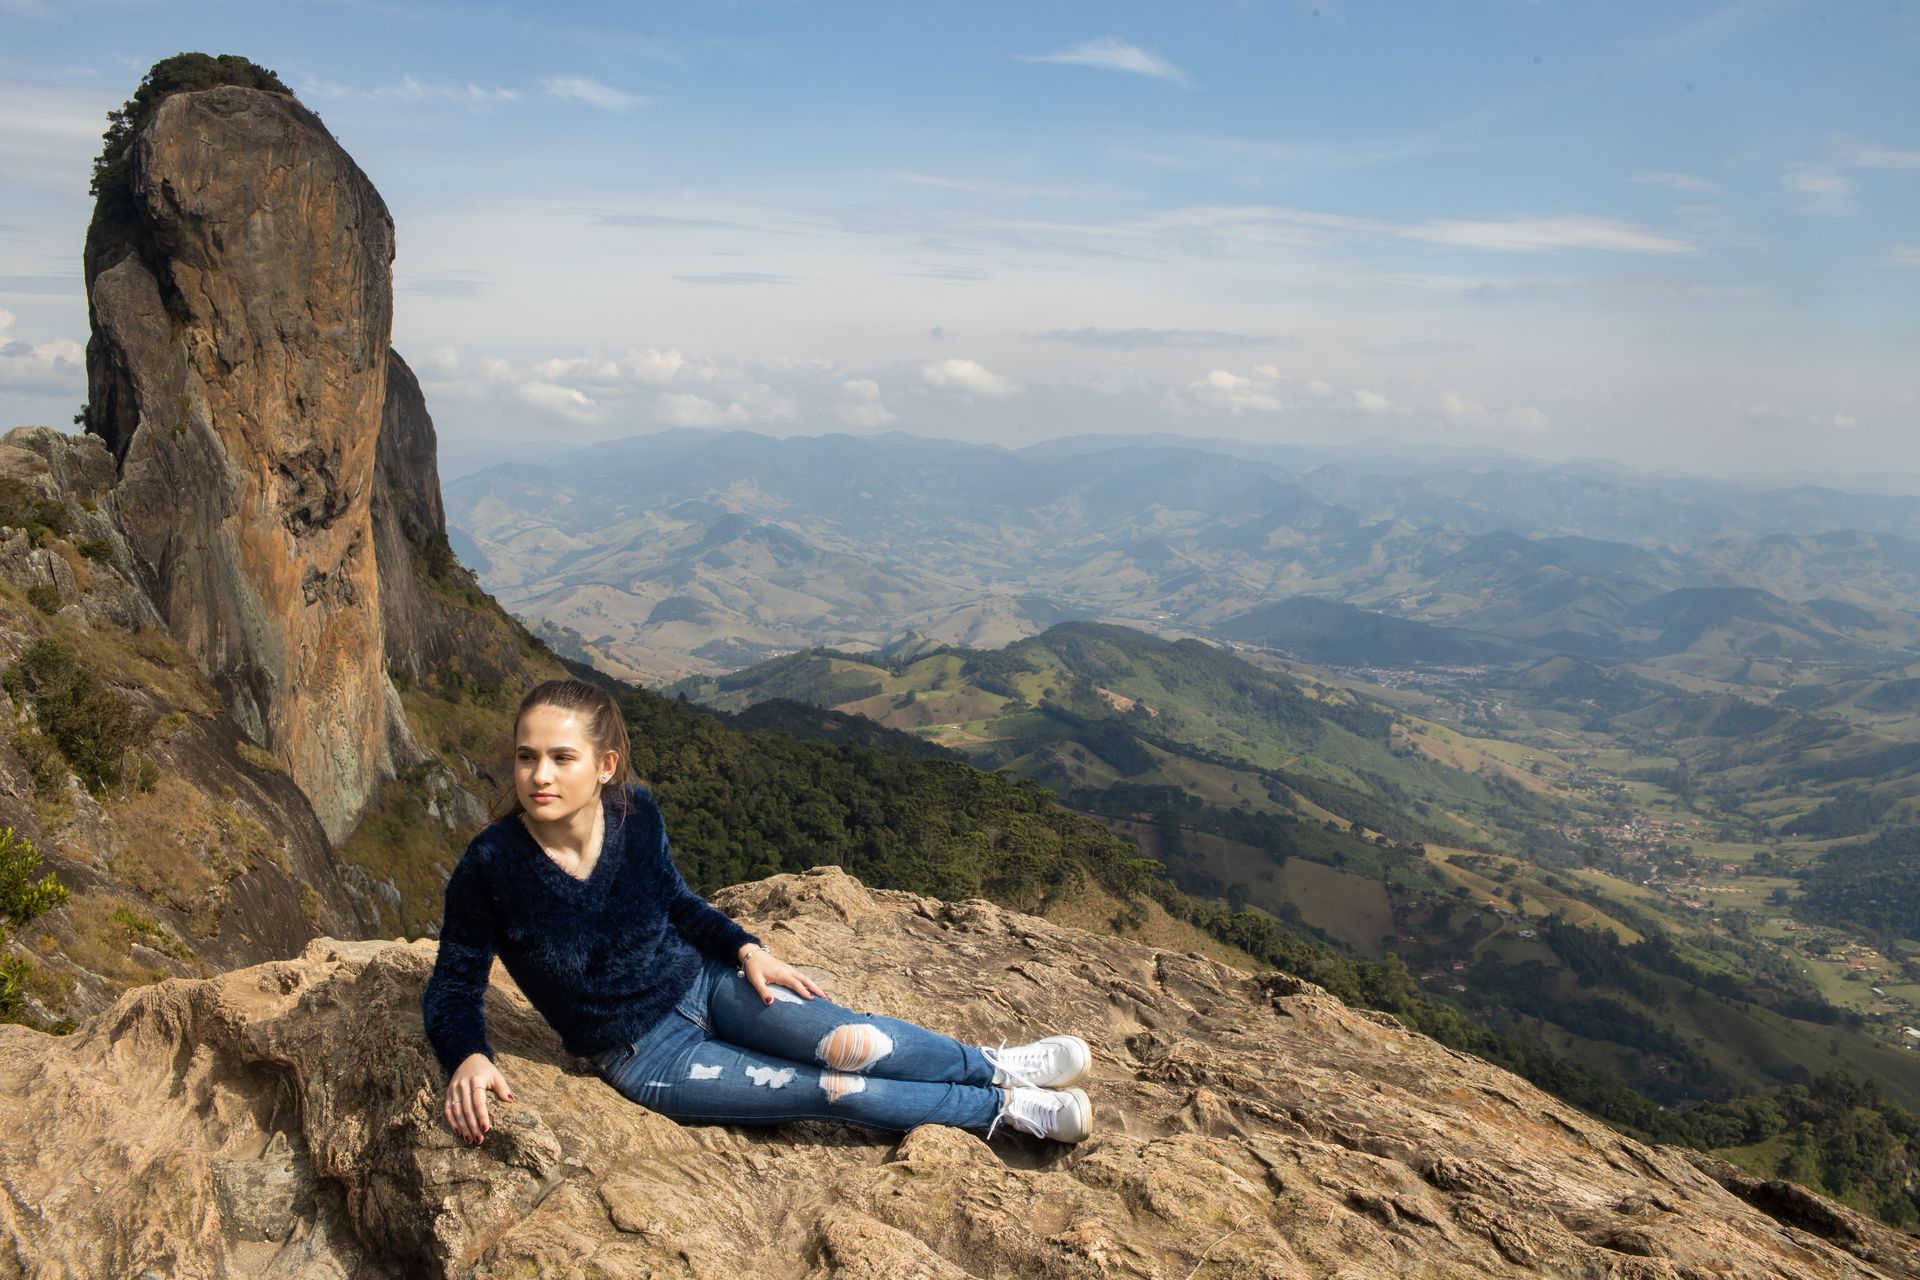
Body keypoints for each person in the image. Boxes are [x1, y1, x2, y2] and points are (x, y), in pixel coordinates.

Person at [422, 678, 1094, 1148]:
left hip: (709, 982)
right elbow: (454, 986)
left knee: (854, 1042)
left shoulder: (637, 813)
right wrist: (470, 1056)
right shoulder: (491, 868)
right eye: (526, 756)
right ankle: (1003, 1110)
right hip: (643, 1053)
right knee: (830, 1091)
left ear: (605, 765)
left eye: (561, 757)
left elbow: (677, 903)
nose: (540, 774)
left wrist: (745, 949)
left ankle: (992, 1064)